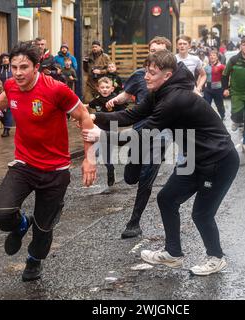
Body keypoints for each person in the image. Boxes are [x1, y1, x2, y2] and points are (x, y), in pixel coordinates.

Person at [87, 50, 239, 276]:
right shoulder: (158, 92)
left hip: (219, 161)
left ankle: (216, 257)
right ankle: (173, 253)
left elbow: (142, 134)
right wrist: (94, 117)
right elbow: (132, 115)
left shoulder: (175, 99)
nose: (145, 77)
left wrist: (103, 136)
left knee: (201, 213)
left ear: (167, 75)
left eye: (151, 73)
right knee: (166, 198)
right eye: (146, 71)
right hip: (196, 159)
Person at [0, 41, 96, 282]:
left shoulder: (56, 90)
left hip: (55, 171)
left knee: (44, 230)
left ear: (36, 67)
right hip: (25, 164)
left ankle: (34, 260)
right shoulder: (11, 84)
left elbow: (84, 116)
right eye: (14, 67)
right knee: (1, 214)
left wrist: (89, 159)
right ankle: (21, 224)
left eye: (24, 67)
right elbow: (7, 96)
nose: (17, 73)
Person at [104, 36, 172, 239]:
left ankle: (134, 222)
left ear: (168, 55)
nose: (154, 54)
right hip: (139, 131)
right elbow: (127, 95)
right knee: (131, 177)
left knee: (146, 177)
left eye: (159, 51)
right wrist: (114, 100)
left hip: (161, 133)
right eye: (152, 50)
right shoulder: (139, 75)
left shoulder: (171, 79)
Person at [85, 77, 127, 186]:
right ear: (98, 89)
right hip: (98, 129)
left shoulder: (115, 100)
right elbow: (87, 106)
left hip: (111, 130)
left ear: (112, 89)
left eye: (107, 87)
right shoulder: (97, 100)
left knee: (106, 154)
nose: (105, 89)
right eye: (102, 87)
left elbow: (124, 112)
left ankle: (110, 170)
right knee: (98, 152)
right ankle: (104, 163)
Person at [204, 50, 226, 120]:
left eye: (214, 55)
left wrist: (226, 87)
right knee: (206, 104)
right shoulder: (206, 67)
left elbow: (228, 75)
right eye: (210, 55)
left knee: (219, 105)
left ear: (217, 57)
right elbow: (202, 76)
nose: (212, 57)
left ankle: (222, 115)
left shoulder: (221, 66)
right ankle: (207, 118)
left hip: (218, 89)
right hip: (208, 89)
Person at [0, 53, 13, 137]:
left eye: (7, 58)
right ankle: (7, 125)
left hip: (12, 92)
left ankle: (6, 130)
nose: (5, 59)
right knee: (0, 111)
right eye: (3, 58)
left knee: (9, 110)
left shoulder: (13, 68)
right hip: (1, 92)